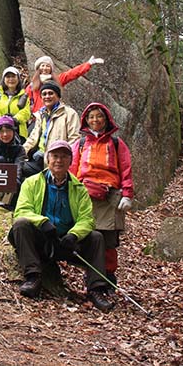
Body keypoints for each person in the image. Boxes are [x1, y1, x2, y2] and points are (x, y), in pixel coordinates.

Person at [9, 140, 113, 312]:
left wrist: (74, 235)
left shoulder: (79, 188)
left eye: (64, 156)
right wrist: (43, 223)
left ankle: (96, 290)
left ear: (70, 161)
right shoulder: (32, 183)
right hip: (42, 239)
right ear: (47, 159)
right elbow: (22, 211)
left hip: (66, 243)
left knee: (96, 238)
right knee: (20, 225)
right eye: (55, 156)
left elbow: (87, 219)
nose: (59, 160)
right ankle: (33, 277)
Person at [69, 102, 133, 288]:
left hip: (109, 198)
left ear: (106, 119)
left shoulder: (116, 143)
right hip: (84, 197)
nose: (95, 120)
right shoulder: (80, 144)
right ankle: (91, 275)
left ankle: (108, 276)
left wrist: (127, 194)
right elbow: (72, 171)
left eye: (99, 116)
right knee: (88, 237)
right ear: (86, 121)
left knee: (109, 241)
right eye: (91, 117)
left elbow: (126, 169)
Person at [21, 81, 80, 179]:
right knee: (16, 169)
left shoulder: (69, 114)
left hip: (57, 160)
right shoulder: (41, 115)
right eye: (44, 94)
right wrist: (20, 153)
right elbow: (32, 138)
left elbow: (74, 140)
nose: (47, 96)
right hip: (38, 158)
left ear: (58, 96)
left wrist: (62, 158)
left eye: (50, 93)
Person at [25, 55, 104, 113]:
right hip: (38, 116)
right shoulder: (32, 85)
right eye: (42, 66)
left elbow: (72, 73)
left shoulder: (57, 80)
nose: (45, 68)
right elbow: (25, 101)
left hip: (55, 114)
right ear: (38, 68)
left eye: (47, 66)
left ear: (51, 69)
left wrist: (88, 64)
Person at [0, 115, 26, 207]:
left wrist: (10, 183)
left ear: (13, 131)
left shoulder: (19, 149)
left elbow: (18, 170)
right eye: (2, 131)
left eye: (8, 131)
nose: (5, 134)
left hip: (11, 183)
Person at [0, 66, 32, 140]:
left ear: (18, 78)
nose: (11, 79)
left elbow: (26, 113)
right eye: (8, 77)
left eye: (13, 76)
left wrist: (14, 120)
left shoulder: (23, 96)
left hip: (18, 132)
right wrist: (2, 121)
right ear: (4, 79)